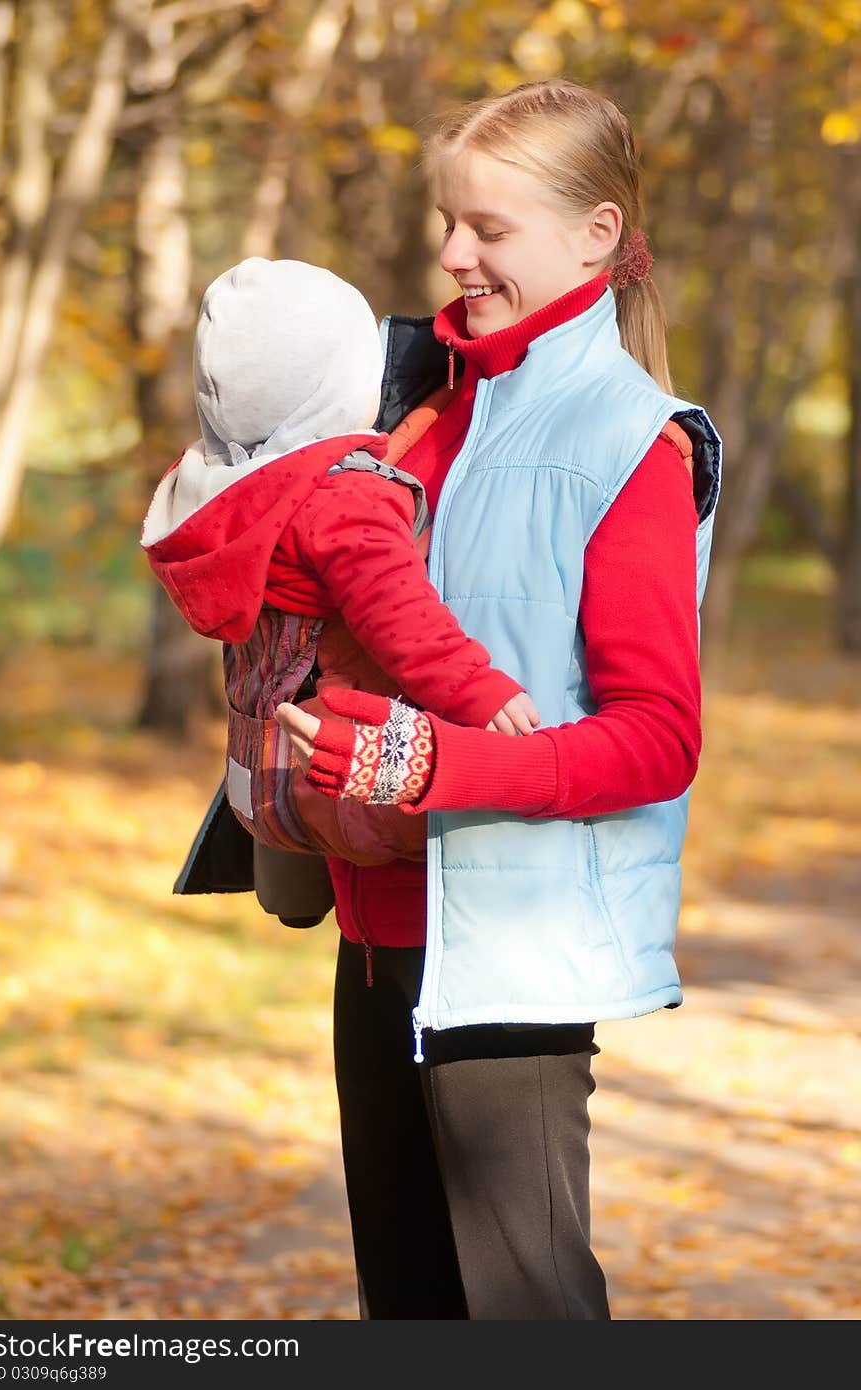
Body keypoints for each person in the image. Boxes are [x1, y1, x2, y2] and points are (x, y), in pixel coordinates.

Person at [188, 78, 722, 1319]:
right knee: (406, 1309)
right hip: (373, 939)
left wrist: (430, 765)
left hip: (510, 956)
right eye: (446, 220)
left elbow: (657, 740)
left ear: (595, 232)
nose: (450, 253)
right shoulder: (410, 408)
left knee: (525, 1315)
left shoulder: (632, 443)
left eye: (488, 228)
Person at [141, 256, 539, 900]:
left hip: (260, 782)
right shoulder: (346, 496)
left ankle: (293, 895)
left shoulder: (217, 489)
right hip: (348, 788)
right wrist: (477, 690)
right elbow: (398, 612)